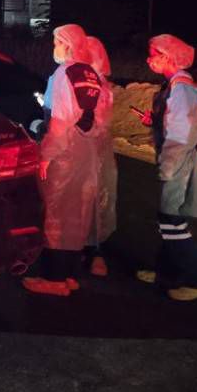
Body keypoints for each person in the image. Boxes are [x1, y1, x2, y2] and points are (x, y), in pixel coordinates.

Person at [23, 24, 103, 297]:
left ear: (67, 44)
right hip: (86, 151)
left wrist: (46, 155)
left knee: (56, 214)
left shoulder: (63, 74)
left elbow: (59, 121)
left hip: (64, 154)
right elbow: (96, 119)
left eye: (57, 42)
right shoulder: (90, 73)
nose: (54, 47)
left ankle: (53, 278)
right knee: (77, 214)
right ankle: (69, 275)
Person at [137, 33, 197, 301]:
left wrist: (168, 167)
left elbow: (183, 135)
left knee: (171, 221)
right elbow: (177, 123)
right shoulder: (175, 87)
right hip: (179, 162)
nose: (149, 60)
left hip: (181, 165)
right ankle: (167, 272)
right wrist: (155, 122)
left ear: (168, 57)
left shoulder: (181, 89)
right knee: (168, 220)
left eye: (153, 55)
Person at [83, 35, 117, 276]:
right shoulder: (103, 84)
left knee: (90, 198)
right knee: (95, 198)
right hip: (98, 148)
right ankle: (93, 251)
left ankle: (92, 252)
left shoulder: (90, 84)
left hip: (88, 147)